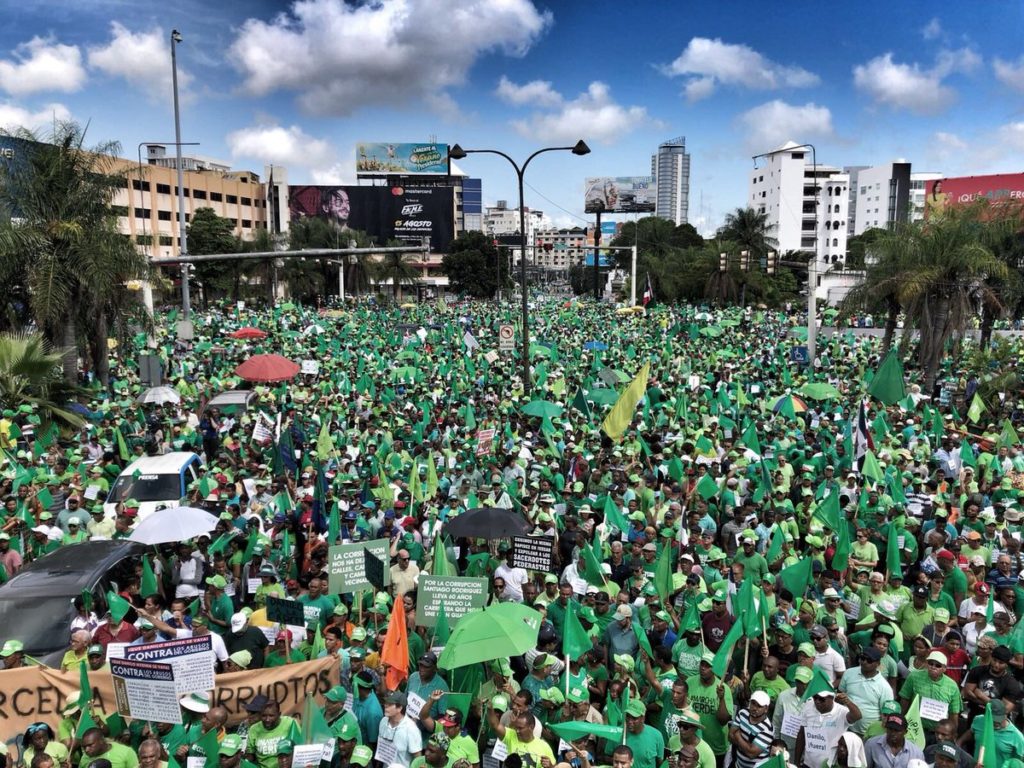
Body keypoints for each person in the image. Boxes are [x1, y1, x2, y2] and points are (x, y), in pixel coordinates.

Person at [794, 689, 862, 768]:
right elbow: (802, 735)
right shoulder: (809, 706)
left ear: (832, 698)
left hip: (830, 765)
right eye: (815, 697)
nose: (817, 701)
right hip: (808, 764)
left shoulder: (841, 712)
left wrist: (847, 702)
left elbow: (857, 716)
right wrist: (796, 762)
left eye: (822, 699)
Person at [377, 692, 423, 768]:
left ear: (399, 708)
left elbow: (417, 757)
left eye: (390, 704)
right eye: (386, 703)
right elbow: (380, 751)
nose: (385, 706)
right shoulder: (383, 721)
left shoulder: (411, 729)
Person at [728, 691, 773, 768]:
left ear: (766, 709)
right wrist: (747, 746)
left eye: (759, 706)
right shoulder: (743, 713)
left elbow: (751, 753)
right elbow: (730, 736)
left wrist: (738, 736)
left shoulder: (767, 729)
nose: (754, 708)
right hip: (738, 765)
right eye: (753, 703)